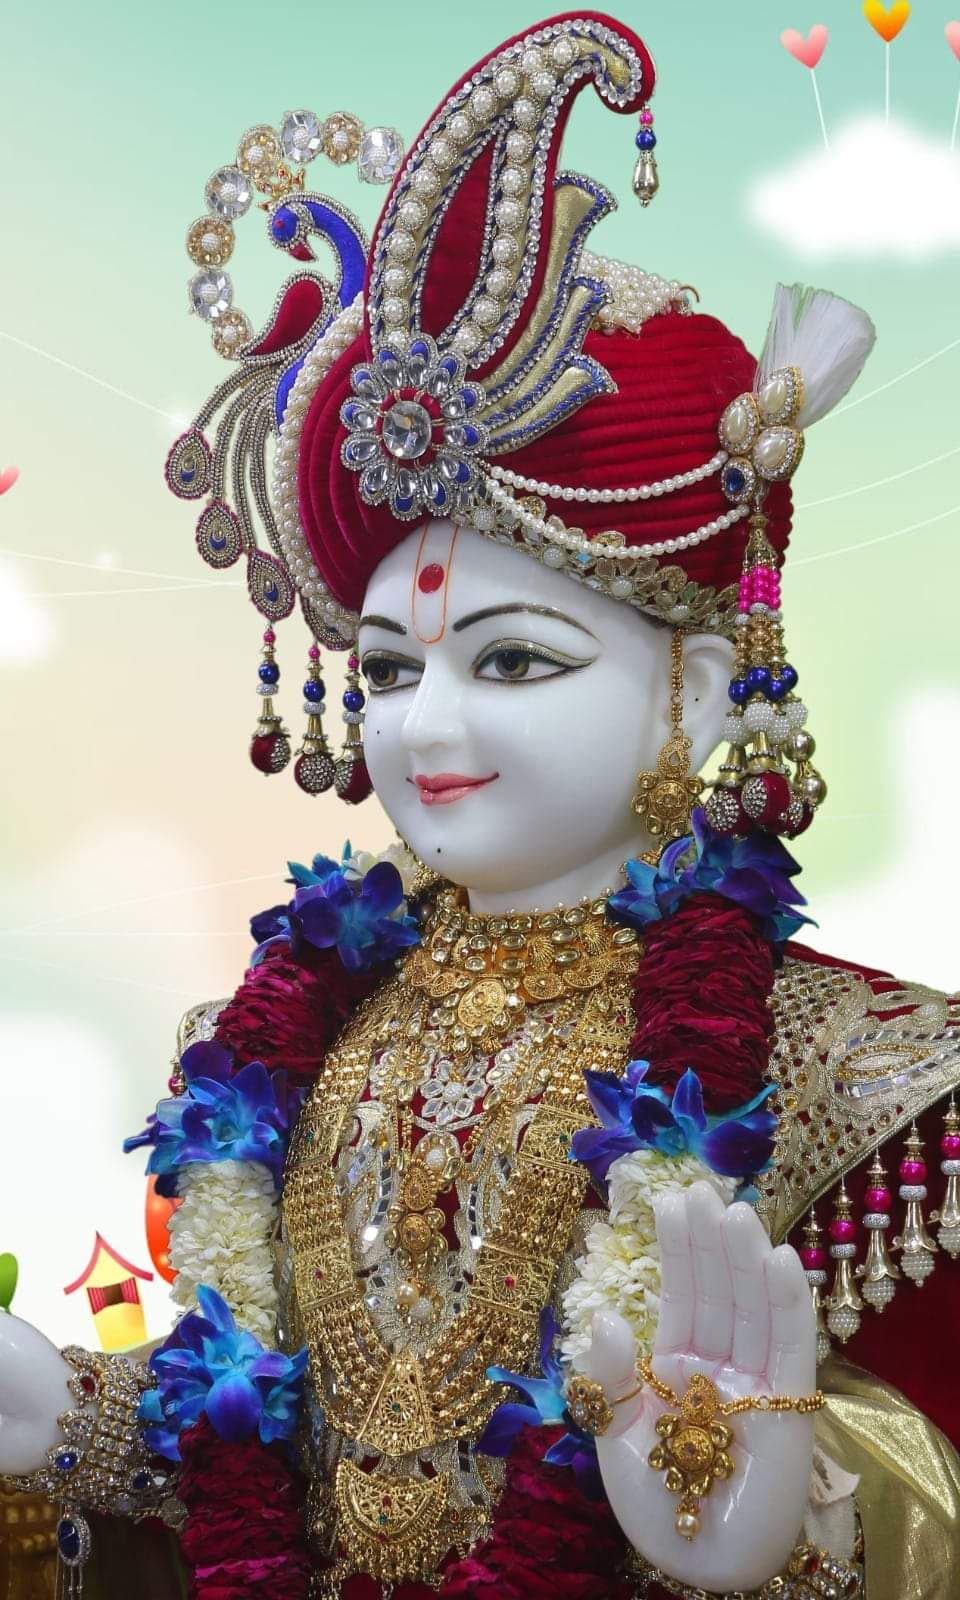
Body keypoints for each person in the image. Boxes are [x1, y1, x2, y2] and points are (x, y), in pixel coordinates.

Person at [1, 14, 958, 1600]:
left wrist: (785, 1512)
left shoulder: (875, 1084)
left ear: (699, 693)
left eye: (513, 661)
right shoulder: (269, 1042)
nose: (422, 722)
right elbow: (247, 1453)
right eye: (383, 670)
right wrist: (66, 1417)